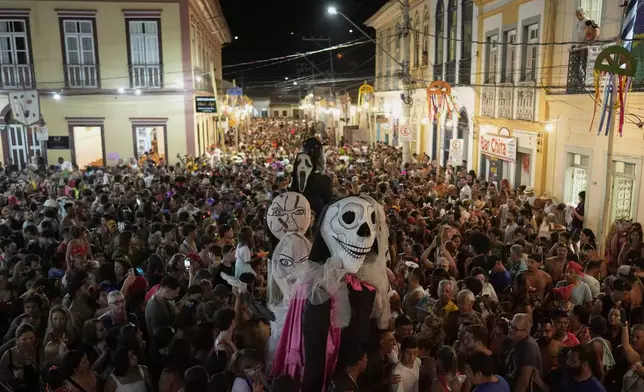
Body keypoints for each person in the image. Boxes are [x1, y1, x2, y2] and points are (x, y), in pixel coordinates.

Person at [501, 314, 542, 392]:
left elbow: (524, 382)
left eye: (515, 329)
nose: (510, 329)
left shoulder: (529, 346)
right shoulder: (510, 340)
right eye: (510, 325)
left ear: (526, 331)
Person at [144, 275, 180, 352]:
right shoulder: (156, 309)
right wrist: (177, 314)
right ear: (167, 290)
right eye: (175, 292)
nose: (177, 295)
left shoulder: (160, 299)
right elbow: (162, 336)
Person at [0, 324, 40, 392]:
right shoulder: (8, 354)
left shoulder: (39, 351)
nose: (29, 341)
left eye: (31, 338)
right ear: (17, 339)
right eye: (24, 339)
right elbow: (1, 375)